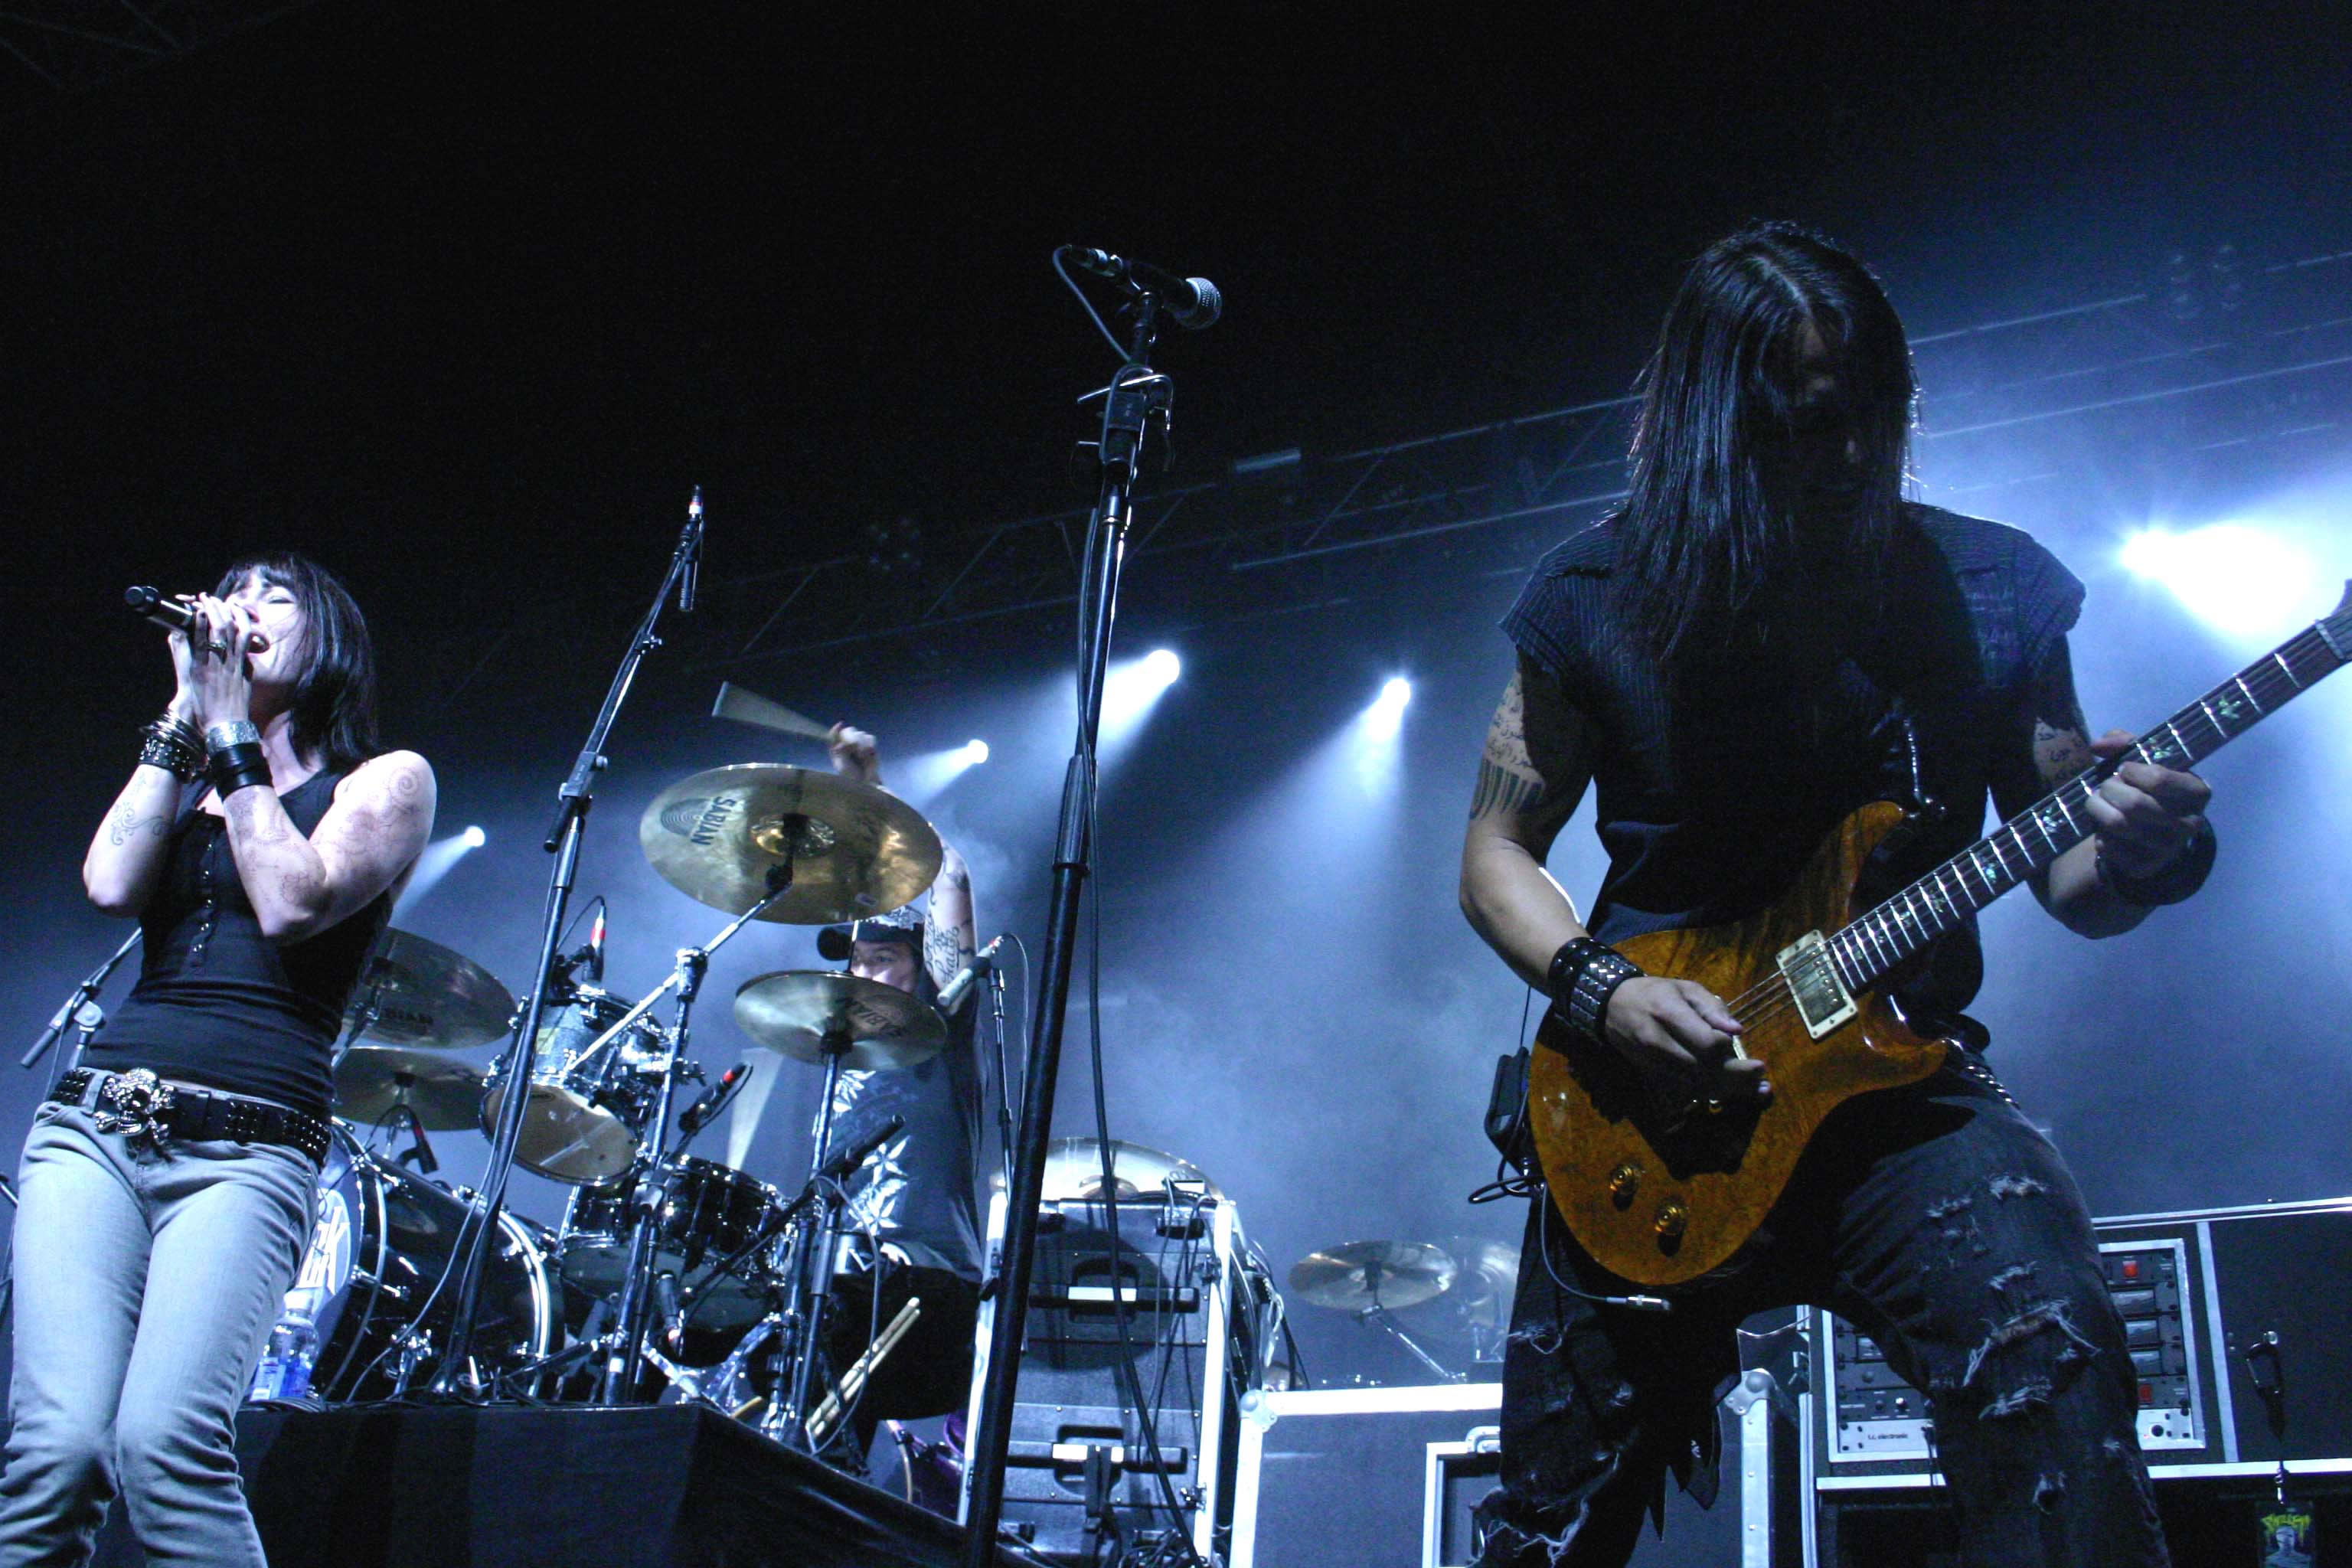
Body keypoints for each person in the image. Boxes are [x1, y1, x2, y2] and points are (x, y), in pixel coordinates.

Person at [1457, 226, 2210, 1566]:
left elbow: (2074, 879)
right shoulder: (1592, 594)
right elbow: (1492, 856)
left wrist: (2148, 855)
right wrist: (1605, 993)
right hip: (1652, 1104)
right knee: (1554, 1526)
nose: (1854, 452)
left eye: (1874, 411)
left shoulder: (1992, 589)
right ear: (1715, 422)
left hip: (1893, 1099)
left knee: (2055, 1356)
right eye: (1808, 422)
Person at [0, 555, 433, 1566]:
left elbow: (291, 901)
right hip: (97, 1124)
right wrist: (186, 711)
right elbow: (109, 883)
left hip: (248, 1148)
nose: (241, 608)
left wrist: (233, 726)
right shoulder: (194, 770)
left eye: (273, 596)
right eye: (232, 592)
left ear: (331, 638)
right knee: (55, 1448)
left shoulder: (387, 780)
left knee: (167, 1448)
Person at [808, 722, 983, 1468]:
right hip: (841, 1277)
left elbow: (951, 878)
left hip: (926, 1279)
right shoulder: (833, 1051)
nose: (865, 976)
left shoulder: (942, 1023)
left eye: (883, 959)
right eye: (857, 962)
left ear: (920, 966)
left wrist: (872, 789)